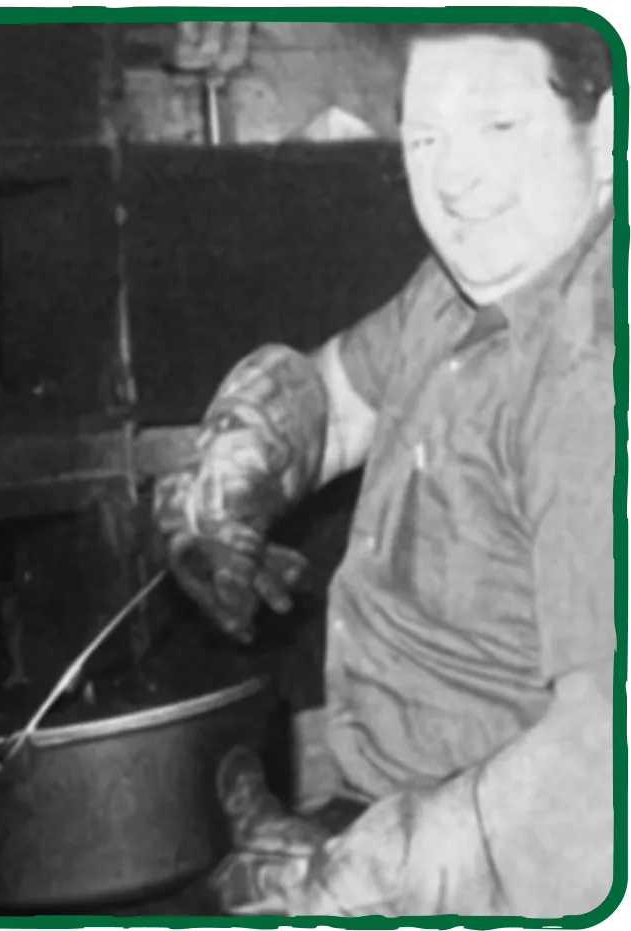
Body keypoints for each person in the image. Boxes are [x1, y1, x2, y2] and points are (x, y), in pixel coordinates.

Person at [150, 21, 617, 918]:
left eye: (499, 127)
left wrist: (356, 878)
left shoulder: (588, 377)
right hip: (397, 811)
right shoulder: (465, 286)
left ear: (602, 139)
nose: (453, 177)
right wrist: (235, 470)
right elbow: (340, 399)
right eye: (424, 135)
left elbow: (602, 770)